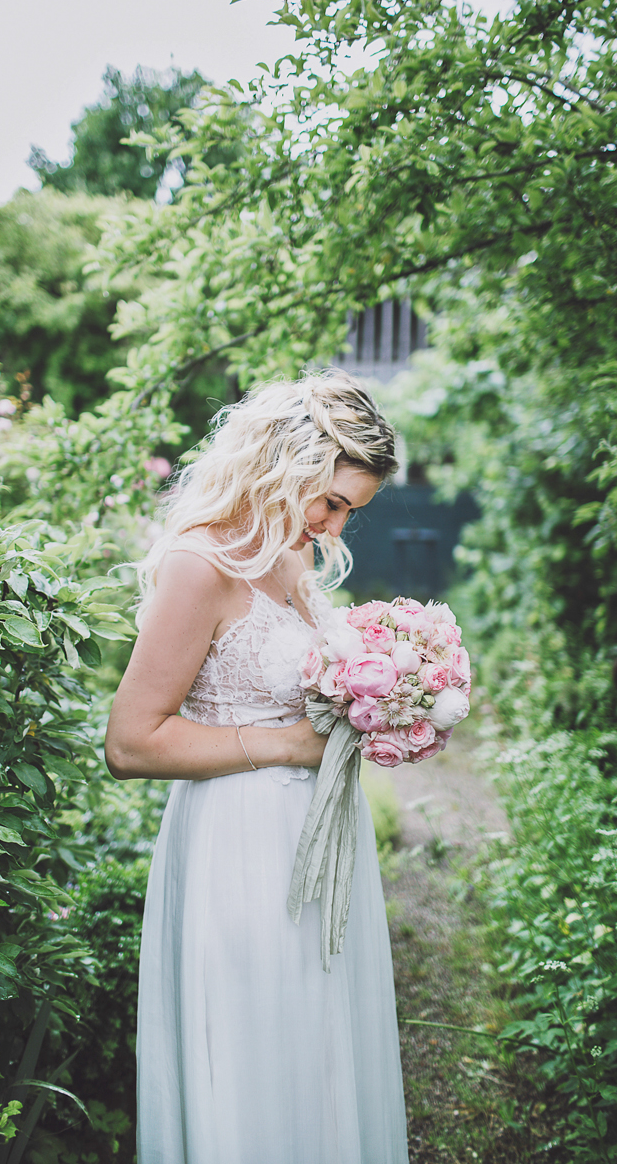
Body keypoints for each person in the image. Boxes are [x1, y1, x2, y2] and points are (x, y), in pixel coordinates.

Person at [104, 372, 408, 1163]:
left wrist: (388, 704)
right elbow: (132, 741)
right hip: (237, 846)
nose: (335, 524)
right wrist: (285, 746)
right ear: (287, 462)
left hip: (321, 837)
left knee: (318, 1044)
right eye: (332, 501)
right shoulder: (200, 564)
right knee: (254, 1049)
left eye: (350, 511)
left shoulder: (292, 566)